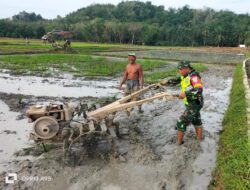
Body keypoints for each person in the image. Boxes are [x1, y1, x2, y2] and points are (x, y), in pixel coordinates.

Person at [161, 60, 204, 145]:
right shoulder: (184, 75)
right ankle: (199, 140)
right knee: (196, 120)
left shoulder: (194, 76)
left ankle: (178, 143)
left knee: (181, 122)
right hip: (191, 103)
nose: (179, 71)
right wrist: (167, 82)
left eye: (180, 69)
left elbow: (199, 89)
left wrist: (185, 94)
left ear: (187, 68)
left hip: (194, 103)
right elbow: (177, 80)